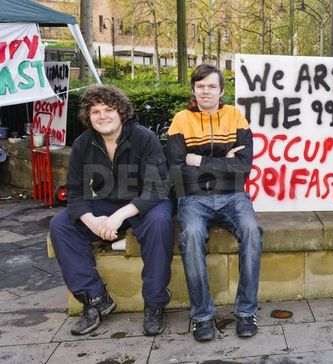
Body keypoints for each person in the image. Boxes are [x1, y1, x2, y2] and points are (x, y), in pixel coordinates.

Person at [49, 85, 173, 336]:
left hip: (147, 202)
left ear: (121, 112)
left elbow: (156, 188)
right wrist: (91, 220)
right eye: (95, 111)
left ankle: (155, 303)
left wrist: (119, 216)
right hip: (108, 201)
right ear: (88, 116)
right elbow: (75, 192)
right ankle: (95, 299)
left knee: (160, 223)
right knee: (61, 224)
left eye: (108, 109)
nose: (102, 116)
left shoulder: (144, 138)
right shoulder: (84, 144)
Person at [167, 64, 262, 342]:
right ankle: (202, 317)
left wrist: (199, 161)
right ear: (193, 90)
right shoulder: (180, 120)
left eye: (211, 86)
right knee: (192, 235)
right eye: (200, 86)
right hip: (194, 197)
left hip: (233, 195)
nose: (205, 91)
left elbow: (243, 168)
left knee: (252, 232)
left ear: (221, 90)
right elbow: (175, 169)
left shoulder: (235, 117)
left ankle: (246, 312)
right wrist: (225, 162)